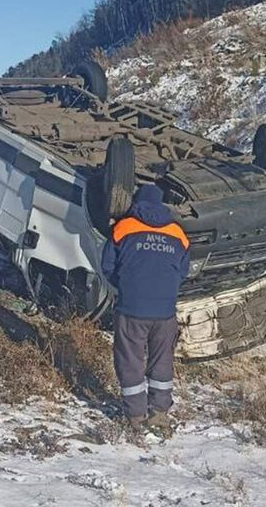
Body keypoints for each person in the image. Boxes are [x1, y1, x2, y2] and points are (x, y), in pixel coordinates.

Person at [101, 184, 190, 431]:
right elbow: (183, 271)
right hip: (165, 313)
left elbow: (108, 267)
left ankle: (136, 416)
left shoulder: (122, 229)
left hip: (131, 309)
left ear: (136, 204)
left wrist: (128, 287)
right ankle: (159, 413)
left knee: (130, 360)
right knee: (162, 361)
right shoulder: (178, 233)